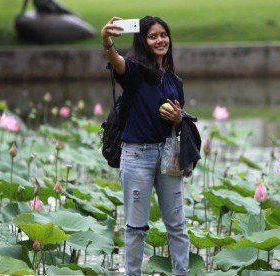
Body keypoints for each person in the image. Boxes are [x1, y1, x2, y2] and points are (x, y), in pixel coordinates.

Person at [101, 16, 190, 275]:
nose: (160, 39)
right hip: (137, 155)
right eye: (153, 36)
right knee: (136, 228)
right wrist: (107, 42)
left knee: (177, 226)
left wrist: (178, 119)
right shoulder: (134, 73)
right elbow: (117, 63)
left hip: (168, 156)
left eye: (164, 34)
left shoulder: (175, 82)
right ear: (144, 41)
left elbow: (178, 125)